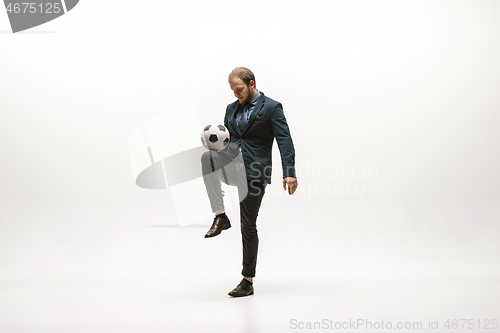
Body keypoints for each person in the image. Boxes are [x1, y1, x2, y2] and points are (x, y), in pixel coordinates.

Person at [201, 67, 298, 297]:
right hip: (234, 166)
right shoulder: (231, 109)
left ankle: (247, 280)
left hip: (255, 172)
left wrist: (289, 172)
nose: (236, 94)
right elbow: (225, 142)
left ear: (251, 84)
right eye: (233, 91)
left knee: (248, 225)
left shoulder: (272, 108)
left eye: (239, 89)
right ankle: (220, 216)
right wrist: (217, 177)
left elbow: (284, 139)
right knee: (208, 156)